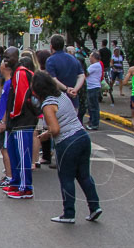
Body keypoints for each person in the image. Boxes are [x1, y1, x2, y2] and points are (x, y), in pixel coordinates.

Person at [33, 71, 102, 224]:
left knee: (66, 177)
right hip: (83, 137)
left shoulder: (48, 104)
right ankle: (94, 206)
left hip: (67, 141)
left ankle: (69, 213)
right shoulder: (61, 96)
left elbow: (55, 129)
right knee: (84, 175)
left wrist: (45, 135)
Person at [4, 47, 37, 199]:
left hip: (22, 122)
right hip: (15, 123)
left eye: (8, 57)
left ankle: (25, 188)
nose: (5, 60)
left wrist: (13, 114)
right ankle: (16, 182)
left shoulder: (20, 73)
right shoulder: (16, 73)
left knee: (23, 156)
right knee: (14, 153)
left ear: (16, 57)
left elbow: (20, 97)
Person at [45, 34, 85, 112]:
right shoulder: (73, 59)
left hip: (57, 101)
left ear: (51, 46)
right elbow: (81, 76)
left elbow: (53, 79)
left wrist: (66, 89)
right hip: (73, 101)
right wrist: (75, 90)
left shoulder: (51, 60)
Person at [0, 59, 13, 189]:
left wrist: (3, 121)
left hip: (5, 120)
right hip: (3, 118)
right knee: (4, 148)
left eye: (0, 65)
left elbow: (9, 105)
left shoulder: (9, 84)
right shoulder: (8, 83)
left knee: (4, 148)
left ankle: (9, 176)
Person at [84, 51, 103, 130]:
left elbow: (86, 74)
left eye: (90, 57)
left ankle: (94, 124)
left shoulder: (94, 65)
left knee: (93, 107)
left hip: (93, 88)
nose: (89, 58)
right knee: (91, 106)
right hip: (92, 87)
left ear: (94, 57)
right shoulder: (96, 65)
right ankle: (92, 121)